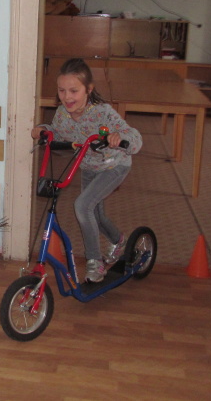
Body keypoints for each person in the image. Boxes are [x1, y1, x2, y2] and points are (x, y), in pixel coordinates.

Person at [32, 58, 142, 283]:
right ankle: (118, 240)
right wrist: (43, 130)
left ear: (88, 89)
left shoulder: (102, 113)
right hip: (89, 167)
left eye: (74, 91)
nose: (67, 97)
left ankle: (95, 262)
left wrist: (119, 137)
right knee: (95, 214)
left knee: (82, 205)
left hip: (114, 165)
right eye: (62, 90)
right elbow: (59, 133)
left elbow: (134, 137)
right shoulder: (62, 113)